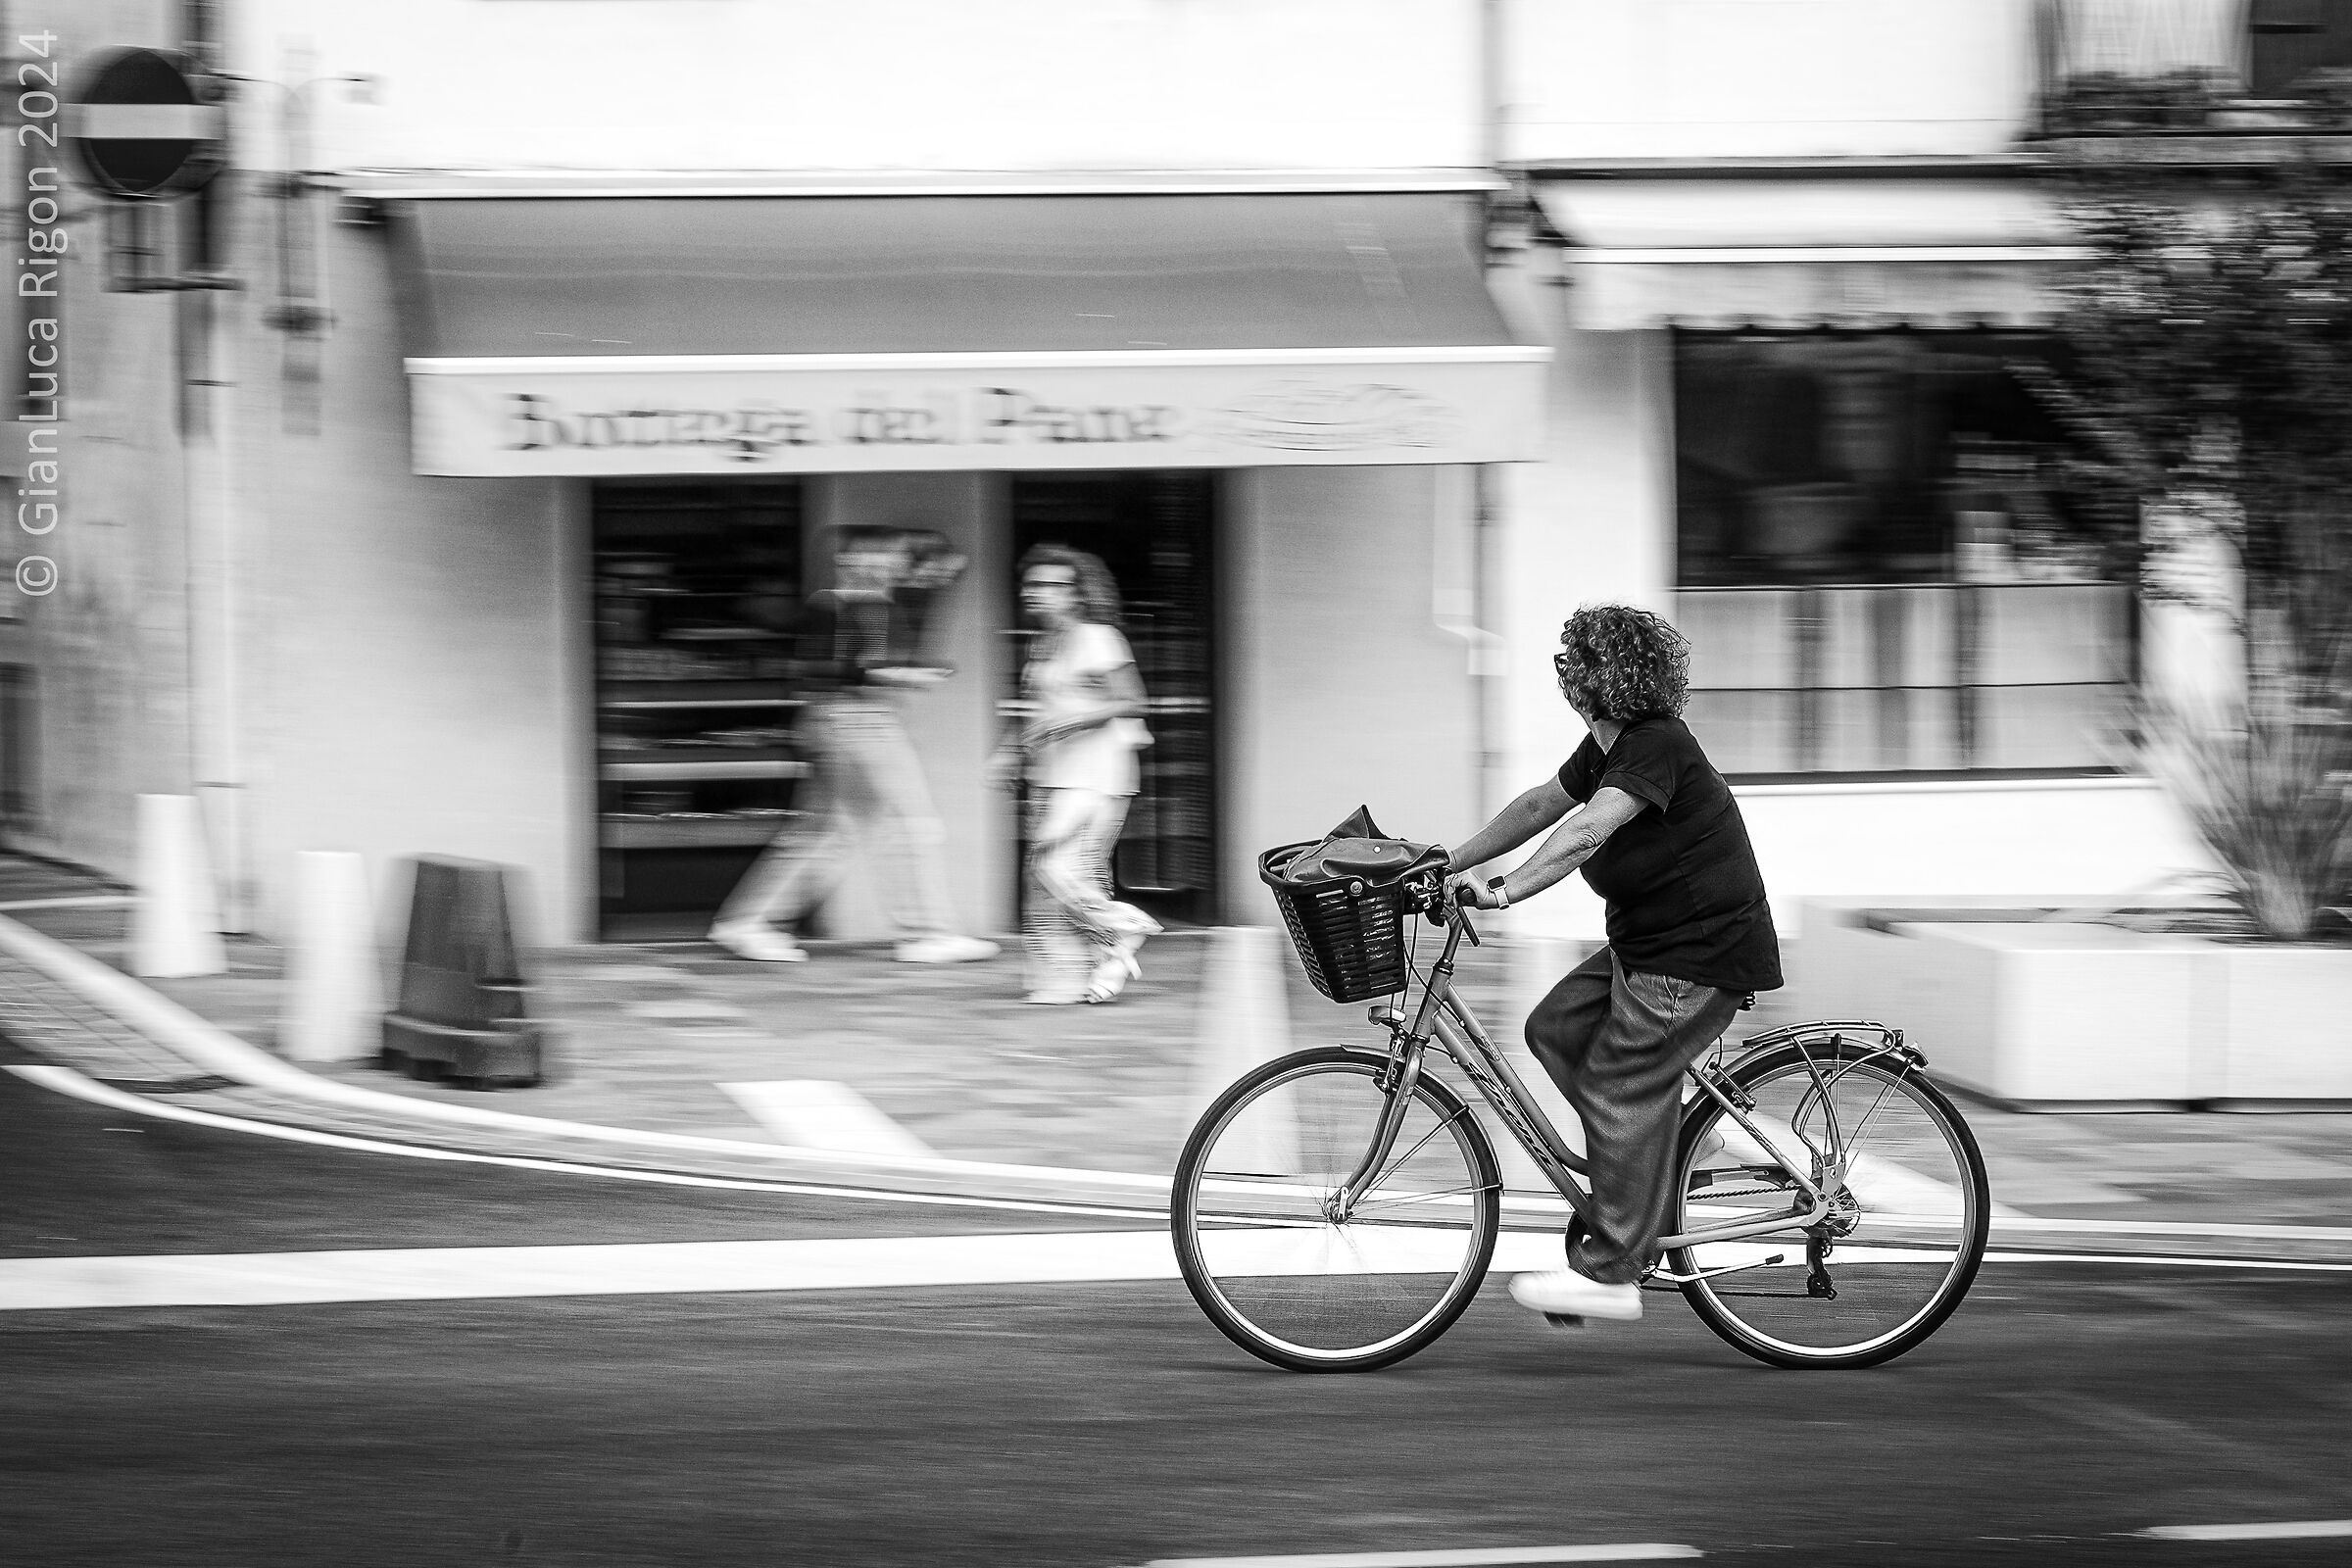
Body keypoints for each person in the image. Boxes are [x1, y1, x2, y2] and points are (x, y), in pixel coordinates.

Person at [1445, 604, 1782, 1325]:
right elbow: (1541, 805)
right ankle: (1678, 1146)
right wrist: (1451, 861)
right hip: (1649, 946)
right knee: (1556, 1027)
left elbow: (1588, 830)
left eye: (1578, 660)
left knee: (1619, 1084)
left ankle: (1612, 1272)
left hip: (1698, 955)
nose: (1564, 671)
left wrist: (1505, 890)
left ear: (1615, 675)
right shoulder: (1607, 745)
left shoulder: (1655, 746)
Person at [709, 526, 999, 966]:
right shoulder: (838, 605)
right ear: (848, 561)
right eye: (873, 554)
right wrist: (896, 676)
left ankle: (749, 922)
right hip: (853, 720)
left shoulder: (877, 605)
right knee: (910, 823)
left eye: (890, 554)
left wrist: (905, 666)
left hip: (850, 720)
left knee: (829, 832)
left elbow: (866, 657)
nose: (885, 562)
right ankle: (925, 933)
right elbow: (824, 670)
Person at [994, 544, 1160, 1004]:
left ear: (1077, 594)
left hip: (1097, 774)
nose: (1039, 593)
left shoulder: (1098, 638)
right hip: (1055, 774)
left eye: (1054, 585)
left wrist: (1076, 720)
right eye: (1033, 584)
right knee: (1070, 874)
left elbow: (1133, 701)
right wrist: (1009, 752)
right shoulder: (1042, 644)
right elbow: (1034, 712)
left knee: (1053, 866)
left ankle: (1122, 928)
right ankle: (1080, 970)